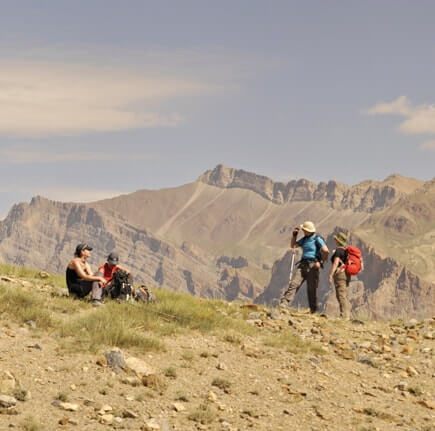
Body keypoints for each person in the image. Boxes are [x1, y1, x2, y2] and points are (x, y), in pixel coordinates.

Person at [280, 221, 329, 313]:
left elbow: (326, 251)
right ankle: (284, 303)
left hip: (313, 265)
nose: (303, 231)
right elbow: (293, 245)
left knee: (311, 289)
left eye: (304, 230)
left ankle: (313, 310)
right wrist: (294, 235)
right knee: (294, 283)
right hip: (303, 264)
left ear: (307, 230)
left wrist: (320, 262)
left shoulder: (317, 239)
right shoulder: (305, 239)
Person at [328, 232, 351, 320]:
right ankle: (346, 315)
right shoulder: (346, 251)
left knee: (340, 295)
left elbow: (335, 263)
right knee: (344, 295)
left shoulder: (338, 250)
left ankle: (344, 316)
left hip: (340, 273)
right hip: (347, 274)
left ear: (338, 241)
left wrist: (331, 274)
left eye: (336, 239)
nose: (334, 240)